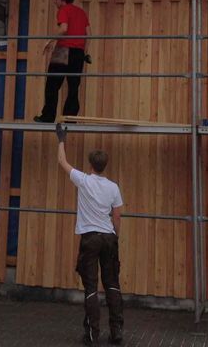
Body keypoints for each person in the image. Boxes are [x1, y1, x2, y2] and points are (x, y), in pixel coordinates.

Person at [56, 124, 124, 346]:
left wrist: (61, 139)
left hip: (90, 238)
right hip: (108, 237)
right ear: (105, 166)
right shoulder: (113, 187)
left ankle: (93, 335)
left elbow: (62, 163)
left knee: (91, 287)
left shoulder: (84, 181)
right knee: (112, 284)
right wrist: (115, 237)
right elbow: (117, 216)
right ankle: (116, 332)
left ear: (91, 165)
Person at [34, 0, 90, 123]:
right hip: (78, 52)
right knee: (73, 85)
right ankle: (70, 117)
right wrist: (84, 52)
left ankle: (48, 116)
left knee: (52, 84)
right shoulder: (82, 12)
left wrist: (50, 39)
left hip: (63, 49)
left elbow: (63, 28)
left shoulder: (63, 10)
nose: (55, 2)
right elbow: (89, 34)